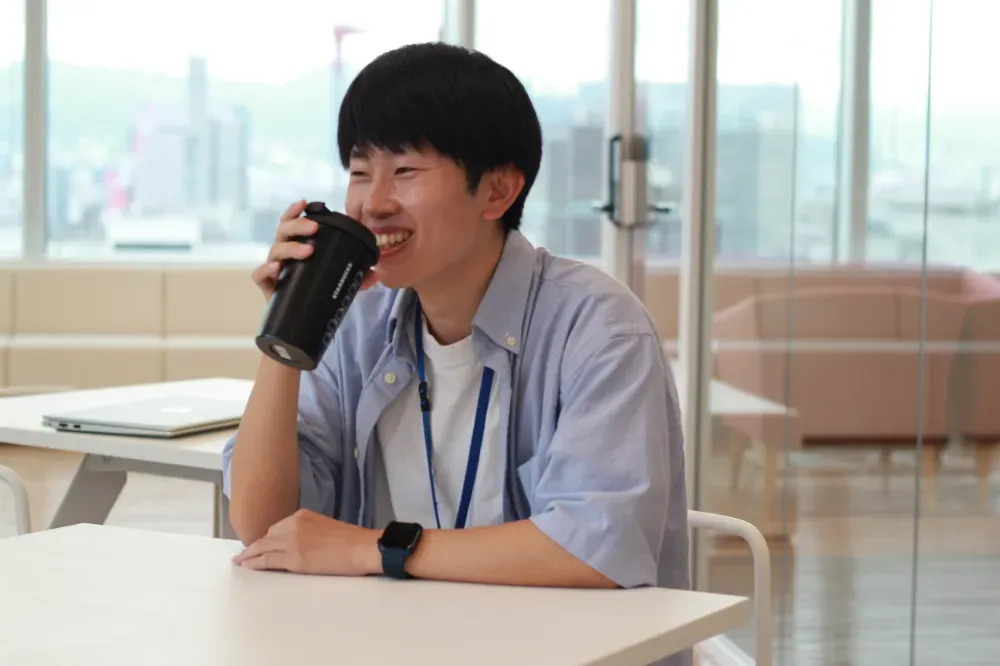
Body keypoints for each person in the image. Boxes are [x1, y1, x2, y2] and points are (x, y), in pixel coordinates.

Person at [223, 41, 690, 664]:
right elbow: (263, 525)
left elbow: (596, 548)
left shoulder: (598, 327)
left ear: (497, 191)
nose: (372, 203)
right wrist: (288, 330)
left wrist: (373, 548)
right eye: (360, 171)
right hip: (394, 646)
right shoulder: (357, 319)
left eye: (405, 171)